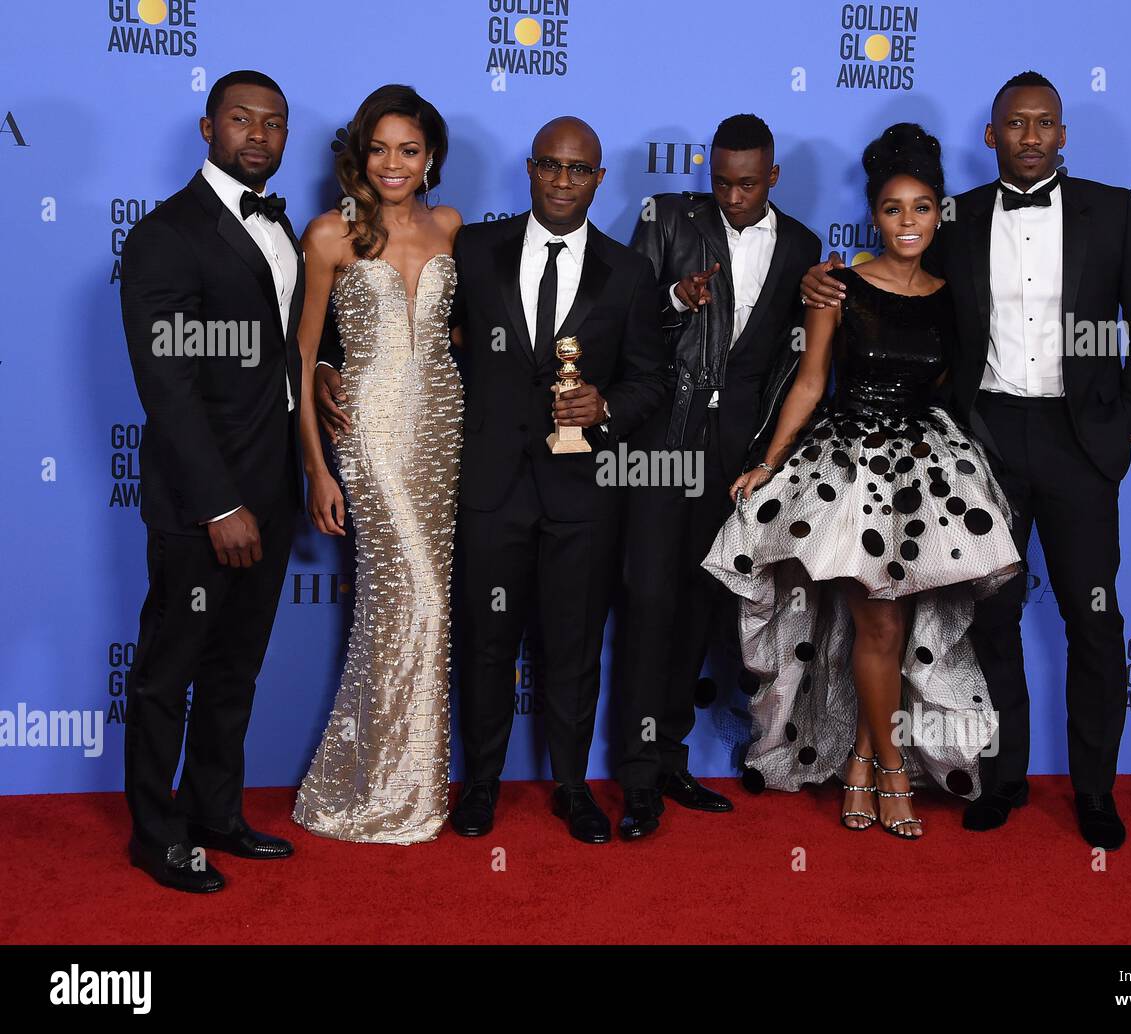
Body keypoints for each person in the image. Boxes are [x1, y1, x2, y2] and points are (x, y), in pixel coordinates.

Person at [800, 73, 1131, 849]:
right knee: (993, 619)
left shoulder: (1114, 210)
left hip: (1082, 447)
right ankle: (1003, 781)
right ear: (992, 135)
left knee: (1093, 619)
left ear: (1062, 135)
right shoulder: (956, 217)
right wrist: (820, 280)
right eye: (1016, 123)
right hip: (986, 442)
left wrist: (1125, 429)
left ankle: (1095, 791)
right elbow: (895, 278)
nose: (1031, 135)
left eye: (1045, 123)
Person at [318, 116, 670, 843]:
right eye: (550, 165)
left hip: (582, 494)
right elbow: (381, 310)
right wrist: (325, 363)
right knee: (485, 643)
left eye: (579, 170)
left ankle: (573, 789)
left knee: (572, 649)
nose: (563, 181)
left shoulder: (629, 271)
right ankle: (480, 785)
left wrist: (606, 407)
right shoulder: (473, 246)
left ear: (599, 179)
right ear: (530, 168)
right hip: (485, 486)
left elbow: (650, 379)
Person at [704, 123, 1020, 838]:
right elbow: (812, 381)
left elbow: (950, 385)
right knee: (876, 621)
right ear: (874, 214)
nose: (907, 222)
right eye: (892, 208)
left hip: (923, 473)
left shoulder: (953, 298)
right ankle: (890, 770)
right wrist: (771, 461)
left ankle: (860, 764)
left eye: (921, 208)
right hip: (848, 472)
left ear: (940, 213)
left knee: (897, 628)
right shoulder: (837, 285)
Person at [118, 70, 302, 892]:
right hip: (207, 506)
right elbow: (169, 387)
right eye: (240, 120)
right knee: (170, 670)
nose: (257, 136)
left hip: (274, 491)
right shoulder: (165, 235)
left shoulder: (281, 225)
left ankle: (214, 814)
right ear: (207, 128)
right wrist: (219, 504)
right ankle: (157, 836)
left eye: (273, 124)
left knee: (236, 669)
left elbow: (279, 359)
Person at [616, 114, 821, 840]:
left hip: (733, 459)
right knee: (647, 606)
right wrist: (677, 302)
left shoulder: (801, 246)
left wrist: (765, 456)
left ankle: (671, 761)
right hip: (659, 443)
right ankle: (637, 777)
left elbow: (789, 365)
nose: (732, 197)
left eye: (747, 184)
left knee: (701, 610)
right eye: (721, 182)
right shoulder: (670, 219)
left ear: (771, 177)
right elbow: (627, 323)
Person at [292, 85, 463, 844]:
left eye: (410, 150)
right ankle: (387, 793)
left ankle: (386, 780)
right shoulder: (331, 233)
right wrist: (316, 468)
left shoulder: (453, 228)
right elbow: (301, 360)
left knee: (411, 609)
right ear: (359, 153)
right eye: (380, 148)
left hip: (444, 431)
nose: (393, 164)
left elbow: (463, 338)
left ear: (431, 160)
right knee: (412, 597)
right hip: (370, 436)